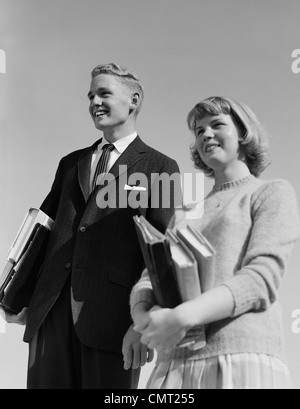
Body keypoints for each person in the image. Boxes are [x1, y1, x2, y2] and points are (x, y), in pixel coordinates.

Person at [4, 63, 180, 389]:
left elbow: (163, 250)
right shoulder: (70, 163)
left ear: (134, 100)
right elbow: (43, 231)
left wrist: (145, 322)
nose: (94, 102)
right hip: (51, 313)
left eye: (104, 93)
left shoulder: (162, 167)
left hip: (113, 320)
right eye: (90, 95)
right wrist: (17, 296)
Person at [130, 96, 300, 389]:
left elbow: (261, 278)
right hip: (174, 365)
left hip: (238, 358)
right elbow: (152, 274)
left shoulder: (271, 193)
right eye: (198, 131)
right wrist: (141, 315)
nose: (205, 134)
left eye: (217, 124)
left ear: (244, 133)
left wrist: (183, 317)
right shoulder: (185, 213)